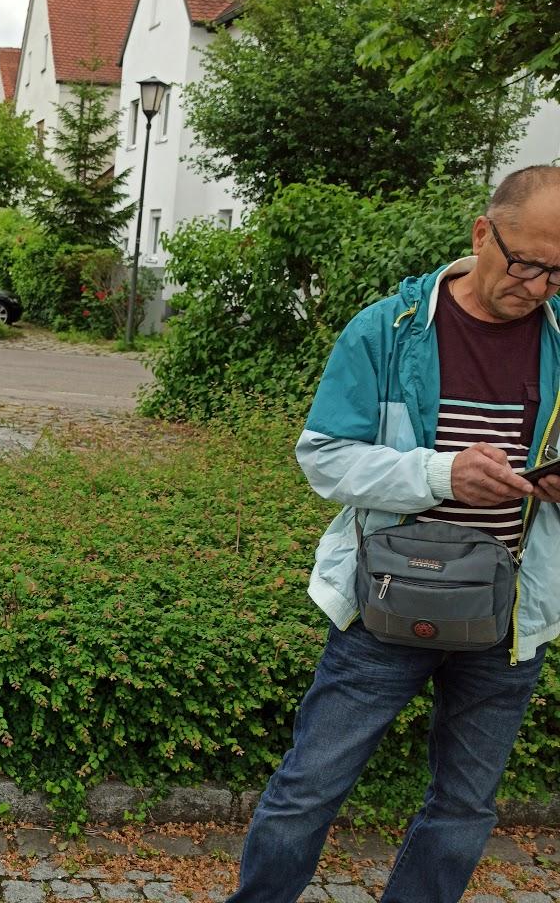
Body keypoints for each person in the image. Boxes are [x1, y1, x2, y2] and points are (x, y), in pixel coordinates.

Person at [227, 165, 560, 903]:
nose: (539, 287)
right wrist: (441, 477)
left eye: (559, 273)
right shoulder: (389, 329)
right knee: (309, 789)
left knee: (464, 811)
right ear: (483, 234)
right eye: (528, 263)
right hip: (383, 604)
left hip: (509, 618)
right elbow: (325, 457)